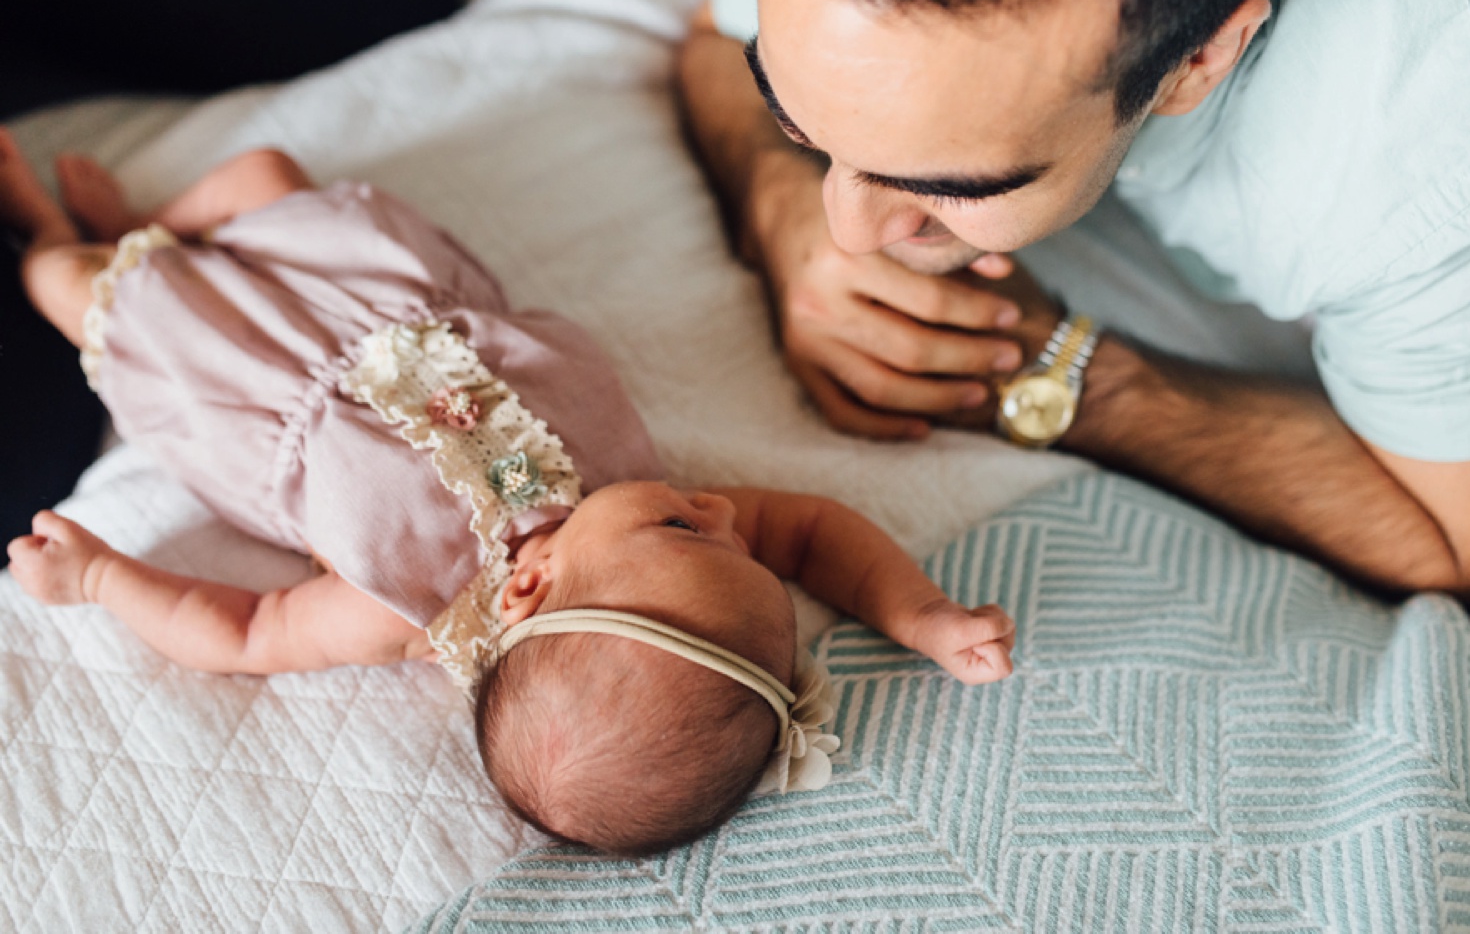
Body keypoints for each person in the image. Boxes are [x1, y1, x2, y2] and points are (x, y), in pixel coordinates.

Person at [0, 134, 1015, 855]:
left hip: (238, 374)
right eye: (735, 545)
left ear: (527, 588)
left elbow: (242, 631)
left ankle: (59, 232)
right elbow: (815, 528)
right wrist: (917, 614)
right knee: (265, 177)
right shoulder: (641, 521)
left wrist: (100, 578)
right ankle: (145, 226)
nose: (724, 515)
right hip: (379, 295)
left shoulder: (404, 604)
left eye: (689, 530)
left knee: (66, 288)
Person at [675, 0, 1470, 600]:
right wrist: (777, 204)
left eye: (945, 186)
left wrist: (1054, 368)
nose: (848, 232)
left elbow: (1461, 539)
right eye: (796, 121)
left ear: (1199, 60)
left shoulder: (1441, 147)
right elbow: (716, 42)